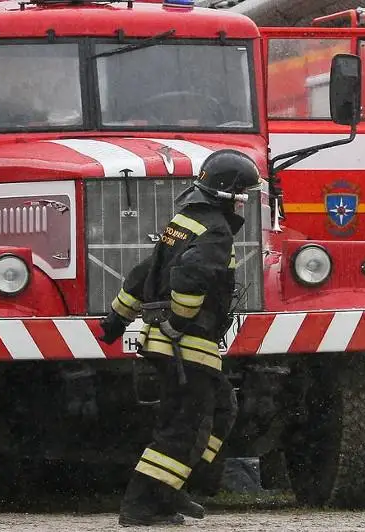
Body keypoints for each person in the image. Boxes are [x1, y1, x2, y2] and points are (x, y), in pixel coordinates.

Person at [98, 149, 260, 526]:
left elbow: (143, 274)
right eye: (242, 197)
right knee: (179, 430)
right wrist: (178, 321)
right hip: (187, 345)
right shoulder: (215, 232)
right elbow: (187, 278)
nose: (244, 205)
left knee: (221, 409)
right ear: (226, 196)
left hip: (174, 345)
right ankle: (142, 505)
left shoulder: (185, 222)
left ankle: (177, 488)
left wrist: (115, 322)